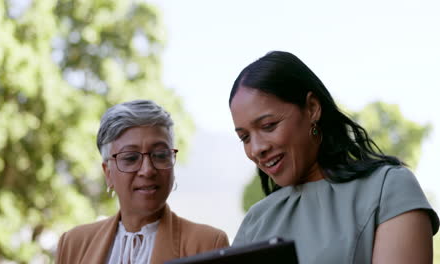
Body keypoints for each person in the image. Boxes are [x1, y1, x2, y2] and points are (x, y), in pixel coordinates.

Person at [229, 51, 439, 263]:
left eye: (268, 126)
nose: (256, 149)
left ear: (312, 108)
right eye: (245, 137)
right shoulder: (256, 221)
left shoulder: (387, 189)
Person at [56, 100, 229, 264]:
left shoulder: (208, 244)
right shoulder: (73, 245)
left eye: (160, 155)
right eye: (131, 158)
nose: (147, 170)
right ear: (108, 173)